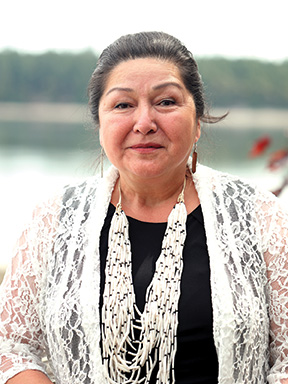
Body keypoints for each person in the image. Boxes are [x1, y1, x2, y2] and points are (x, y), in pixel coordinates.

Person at [0, 31, 288, 384]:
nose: (144, 123)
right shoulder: (55, 218)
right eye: (123, 105)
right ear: (100, 123)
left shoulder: (258, 215)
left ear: (197, 122)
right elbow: (11, 348)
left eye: (166, 102)